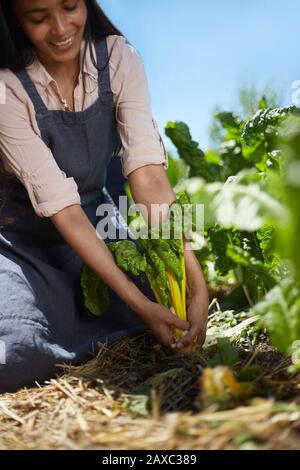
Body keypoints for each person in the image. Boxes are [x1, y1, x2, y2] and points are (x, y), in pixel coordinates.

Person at [0, 0, 208, 393]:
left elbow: (148, 175)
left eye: (70, 7)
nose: (61, 28)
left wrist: (193, 277)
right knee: (18, 353)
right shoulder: (6, 89)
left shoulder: (118, 57)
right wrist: (138, 304)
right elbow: (62, 207)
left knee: (152, 305)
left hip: (99, 229)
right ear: (16, 20)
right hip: (23, 244)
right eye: (39, 18)